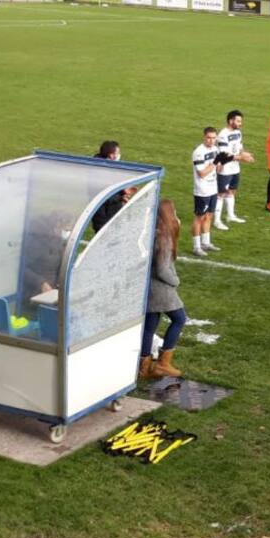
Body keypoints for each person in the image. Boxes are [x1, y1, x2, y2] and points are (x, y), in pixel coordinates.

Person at [140, 198, 188, 380]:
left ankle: (143, 368)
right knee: (179, 319)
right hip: (161, 289)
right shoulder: (164, 237)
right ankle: (162, 363)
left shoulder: (151, 232)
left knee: (150, 326)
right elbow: (162, 269)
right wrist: (175, 280)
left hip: (150, 287)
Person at [216, 110, 255, 226]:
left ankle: (230, 215)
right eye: (238, 121)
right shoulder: (223, 135)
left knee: (232, 191)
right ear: (230, 120)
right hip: (225, 168)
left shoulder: (238, 132)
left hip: (235, 168)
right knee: (221, 194)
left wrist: (245, 153)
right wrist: (242, 158)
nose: (240, 123)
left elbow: (239, 147)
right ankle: (217, 221)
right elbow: (225, 155)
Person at [191, 126, 222, 254]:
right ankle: (196, 246)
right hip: (202, 190)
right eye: (209, 138)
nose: (211, 140)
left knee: (209, 215)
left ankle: (206, 242)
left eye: (214, 138)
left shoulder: (216, 149)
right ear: (204, 137)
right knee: (199, 217)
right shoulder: (198, 152)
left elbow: (218, 169)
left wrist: (221, 163)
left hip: (213, 188)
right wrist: (215, 163)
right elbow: (202, 173)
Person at [90, 140, 131, 233]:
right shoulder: (100, 170)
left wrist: (123, 191)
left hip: (108, 213)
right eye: (118, 153)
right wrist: (121, 197)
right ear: (111, 155)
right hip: (104, 216)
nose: (119, 155)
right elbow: (104, 195)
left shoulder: (105, 166)